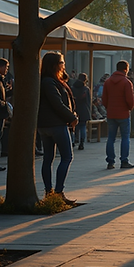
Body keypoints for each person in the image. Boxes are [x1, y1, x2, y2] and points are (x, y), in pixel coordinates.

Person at [37, 52, 78, 203]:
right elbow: (57, 104)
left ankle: (49, 192)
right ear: (54, 65)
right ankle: (58, 192)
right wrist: (72, 118)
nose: (63, 65)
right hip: (56, 124)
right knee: (67, 157)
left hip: (45, 125)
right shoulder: (49, 82)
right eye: (61, 63)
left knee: (48, 158)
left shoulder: (47, 81)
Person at [102, 60, 134, 170]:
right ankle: (124, 160)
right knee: (125, 137)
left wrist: (109, 108)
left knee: (111, 138)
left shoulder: (108, 82)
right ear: (126, 69)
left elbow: (104, 99)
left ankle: (110, 161)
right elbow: (130, 100)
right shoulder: (126, 82)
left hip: (111, 113)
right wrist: (129, 108)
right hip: (123, 114)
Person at [71, 73, 92, 150]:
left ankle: (73, 142)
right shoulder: (86, 89)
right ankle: (81, 143)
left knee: (73, 127)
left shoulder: (72, 88)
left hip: (74, 109)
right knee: (83, 127)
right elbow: (88, 102)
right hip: (84, 109)